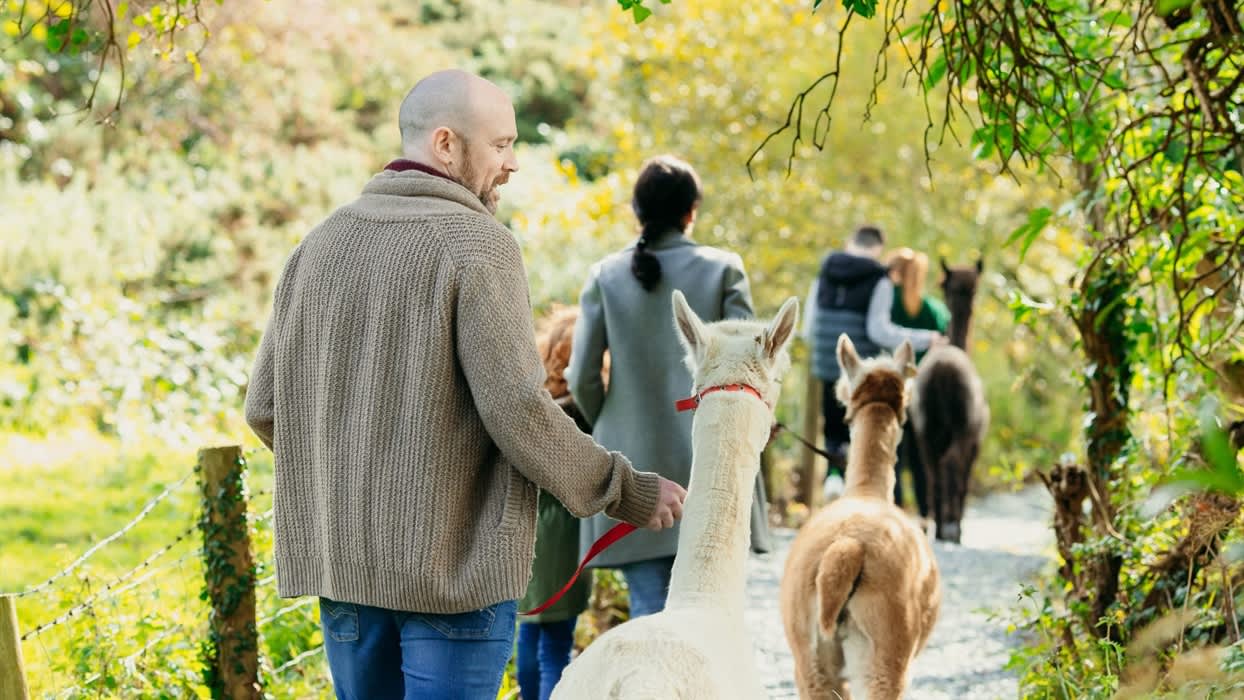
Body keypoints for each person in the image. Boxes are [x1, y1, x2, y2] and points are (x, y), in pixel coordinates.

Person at [242, 70, 686, 700]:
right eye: (501, 145)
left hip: (344, 573)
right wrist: (626, 489)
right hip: (454, 572)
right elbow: (518, 411)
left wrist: (353, 484)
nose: (511, 165)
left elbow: (264, 408)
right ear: (446, 145)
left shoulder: (319, 245)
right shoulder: (479, 245)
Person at [566, 155, 772, 620]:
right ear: (691, 211)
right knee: (710, 611)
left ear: (637, 211)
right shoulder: (724, 269)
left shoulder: (605, 275)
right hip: (712, 459)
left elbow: (579, 375)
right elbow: (751, 363)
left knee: (649, 612)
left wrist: (612, 421)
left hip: (632, 465)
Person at [804, 225, 943, 502]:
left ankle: (833, 475)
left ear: (850, 242)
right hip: (860, 370)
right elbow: (878, 331)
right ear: (878, 248)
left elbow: (808, 327)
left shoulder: (824, 273)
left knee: (833, 429)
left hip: (825, 361)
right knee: (858, 430)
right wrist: (927, 339)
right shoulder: (879, 279)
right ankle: (857, 490)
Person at [516, 306, 598, 700]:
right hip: (565, 536)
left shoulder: (530, 404)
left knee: (529, 633)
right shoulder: (583, 414)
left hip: (526, 529)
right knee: (556, 647)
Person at [884, 248, 950, 517]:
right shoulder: (933, 310)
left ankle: (895, 510)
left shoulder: (886, 306)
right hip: (925, 391)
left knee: (894, 453)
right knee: (921, 454)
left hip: (893, 387)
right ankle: (926, 512)